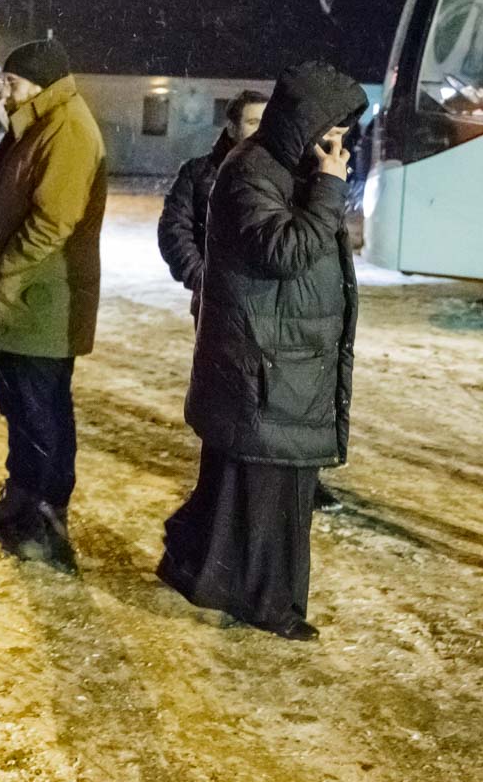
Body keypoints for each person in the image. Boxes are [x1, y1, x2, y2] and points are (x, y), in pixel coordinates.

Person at [156, 61, 367, 642]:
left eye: (345, 134)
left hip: (280, 356)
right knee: (276, 495)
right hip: (267, 361)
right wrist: (328, 187)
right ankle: (272, 605)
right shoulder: (252, 172)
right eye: (333, 130)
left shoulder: (281, 169)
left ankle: (197, 568)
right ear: (305, 123)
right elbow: (285, 251)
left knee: (241, 487)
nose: (339, 145)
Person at [0, 39, 107, 574]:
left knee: (43, 411)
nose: (3, 89)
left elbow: (53, 221)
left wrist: (6, 274)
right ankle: (20, 501)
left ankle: (47, 522)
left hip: (45, 297)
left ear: (41, 82)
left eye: (12, 81)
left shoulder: (67, 128)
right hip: (28, 297)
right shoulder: (40, 121)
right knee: (20, 403)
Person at [158, 89, 268, 316]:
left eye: (266, 123)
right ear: (232, 127)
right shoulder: (198, 174)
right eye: (252, 122)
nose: (261, 131)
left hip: (271, 307)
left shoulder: (286, 175)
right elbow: (174, 230)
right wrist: (202, 280)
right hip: (216, 307)